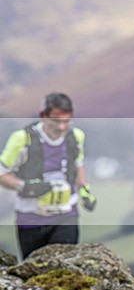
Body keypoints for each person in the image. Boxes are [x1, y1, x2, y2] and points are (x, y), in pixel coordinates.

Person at [0, 93, 97, 259]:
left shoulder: (75, 137)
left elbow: (78, 164)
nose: (61, 127)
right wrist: (25, 186)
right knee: (35, 272)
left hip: (65, 214)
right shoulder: (22, 139)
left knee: (65, 268)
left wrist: (84, 191)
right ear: (43, 116)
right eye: (56, 121)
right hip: (30, 218)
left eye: (67, 121)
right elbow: (2, 173)